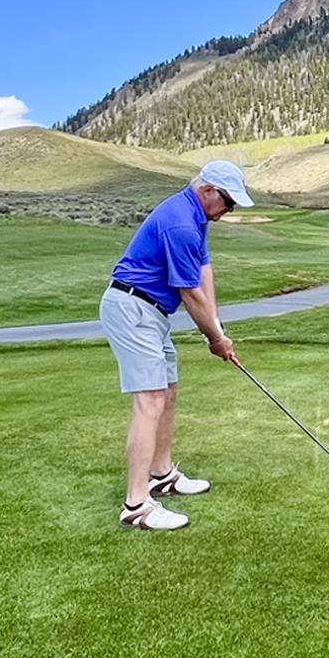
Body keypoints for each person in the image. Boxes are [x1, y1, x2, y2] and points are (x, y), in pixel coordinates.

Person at [99, 159, 254, 530]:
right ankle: (136, 504)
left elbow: (204, 273)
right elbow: (190, 294)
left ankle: (161, 473)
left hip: (152, 312)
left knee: (168, 391)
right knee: (150, 399)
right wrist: (215, 339)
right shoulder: (182, 222)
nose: (227, 212)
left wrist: (217, 329)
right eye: (228, 203)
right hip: (132, 307)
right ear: (208, 191)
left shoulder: (196, 215)